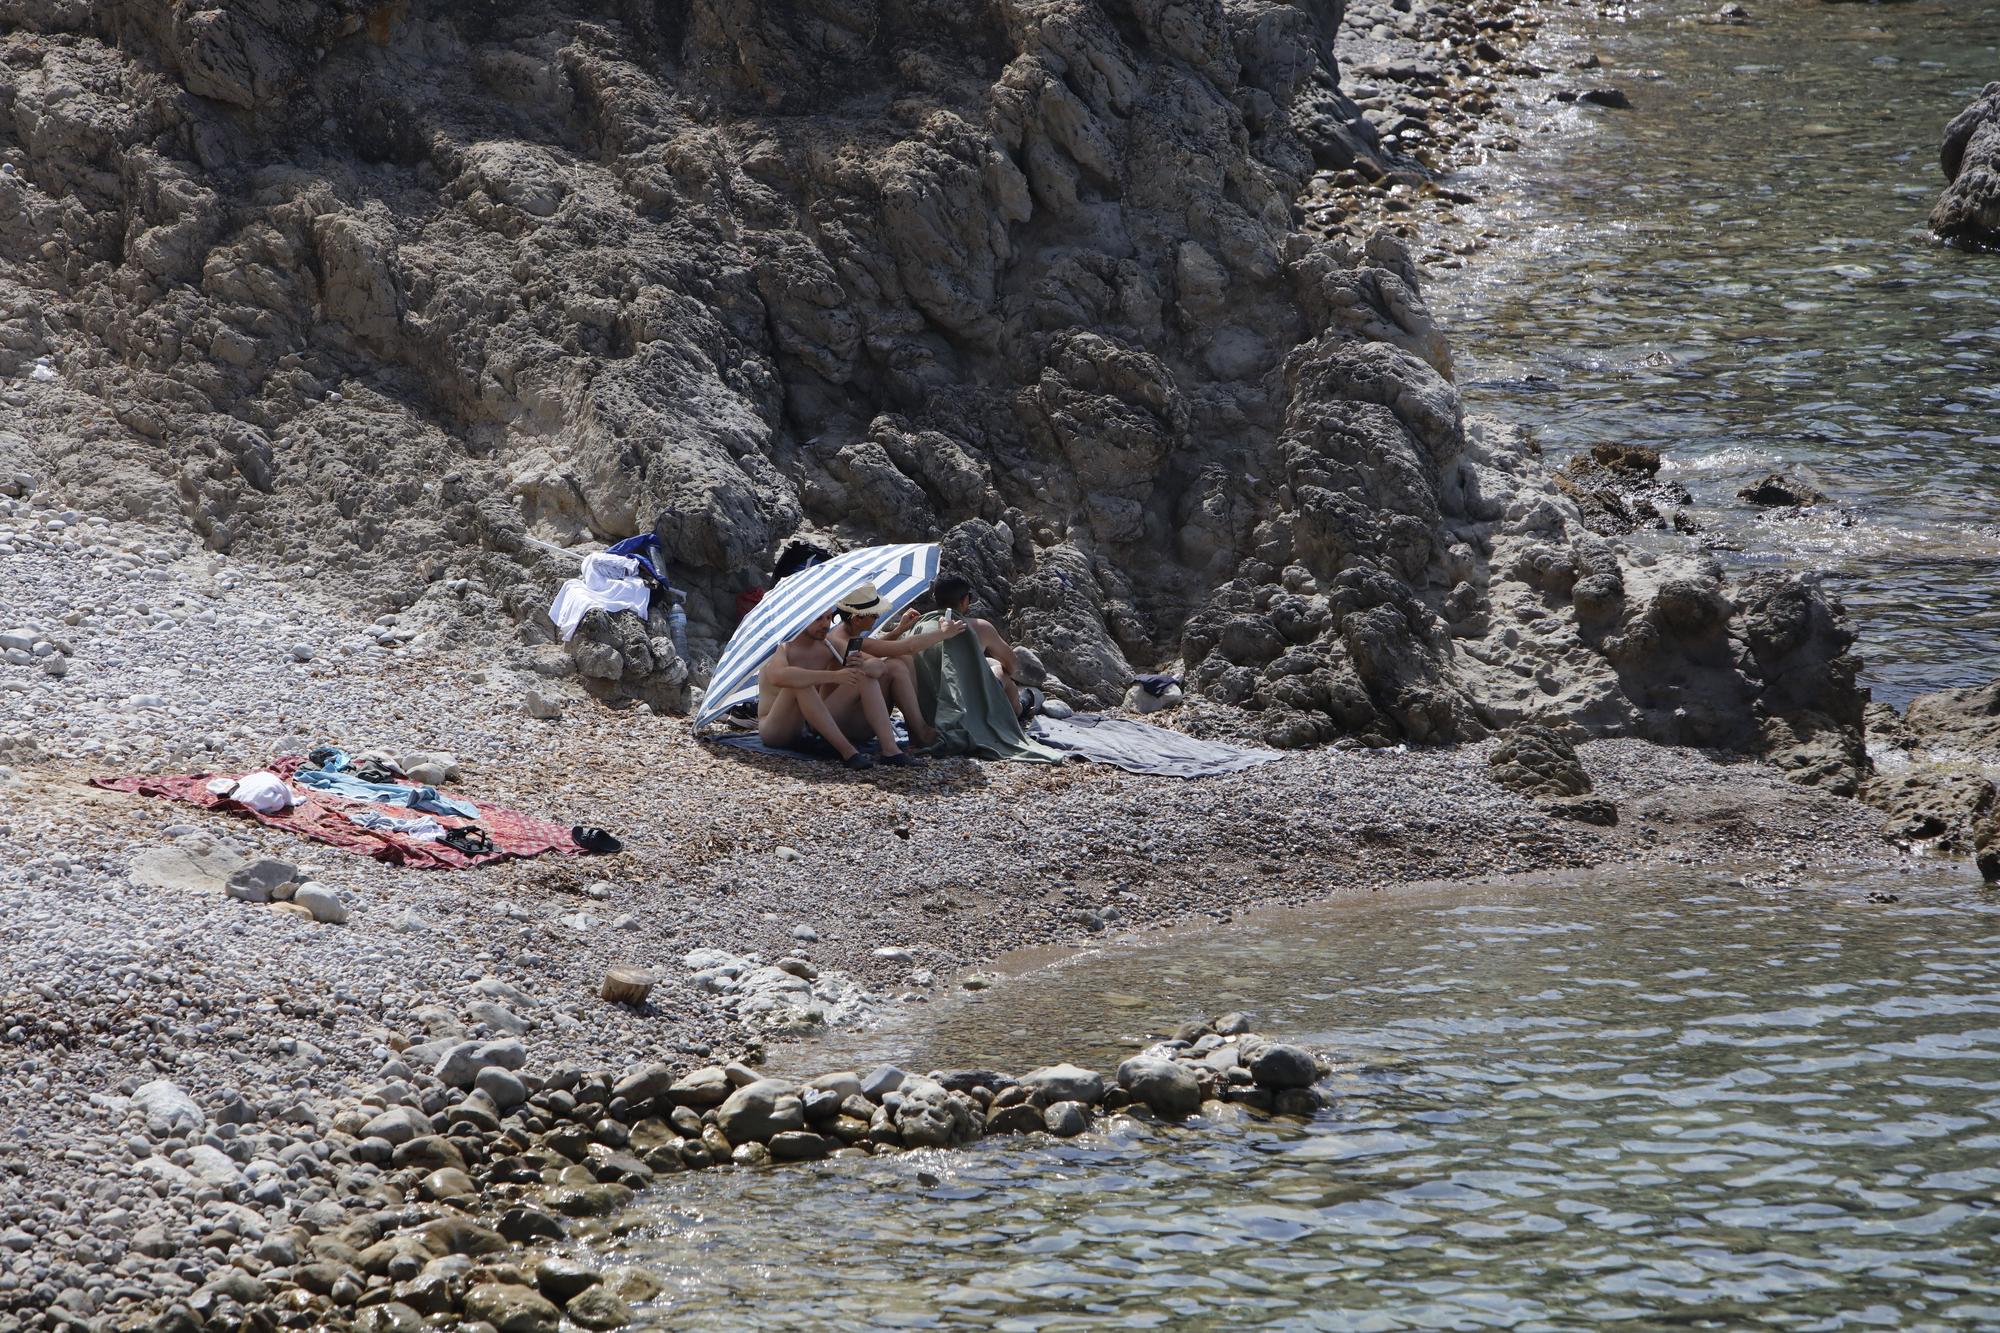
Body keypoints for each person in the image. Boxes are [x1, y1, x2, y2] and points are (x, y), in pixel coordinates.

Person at [823, 582, 970, 748]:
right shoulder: (841, 641)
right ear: (857, 619)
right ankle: (921, 731)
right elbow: (908, 647)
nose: (877, 618)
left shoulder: (846, 635)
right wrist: (943, 633)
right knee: (896, 666)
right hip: (840, 724)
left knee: (902, 660)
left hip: (846, 713)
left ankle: (917, 729)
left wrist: (898, 630)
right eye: (874, 615)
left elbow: (876, 648)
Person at [927, 574, 1026, 714]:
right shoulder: (980, 628)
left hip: (928, 702)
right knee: (1001, 671)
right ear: (965, 600)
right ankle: (1017, 711)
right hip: (966, 704)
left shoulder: (920, 627)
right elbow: (1012, 664)